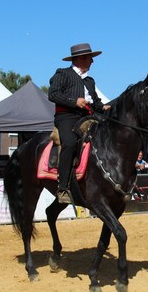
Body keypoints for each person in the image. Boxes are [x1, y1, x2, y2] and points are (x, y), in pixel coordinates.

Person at [48, 43, 111, 204]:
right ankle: (63, 188)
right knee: (69, 143)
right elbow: (53, 94)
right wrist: (74, 101)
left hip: (87, 117)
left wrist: (104, 107)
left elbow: (95, 103)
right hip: (67, 117)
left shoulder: (90, 81)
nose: (92, 61)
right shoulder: (63, 74)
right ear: (81, 59)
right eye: (90, 58)